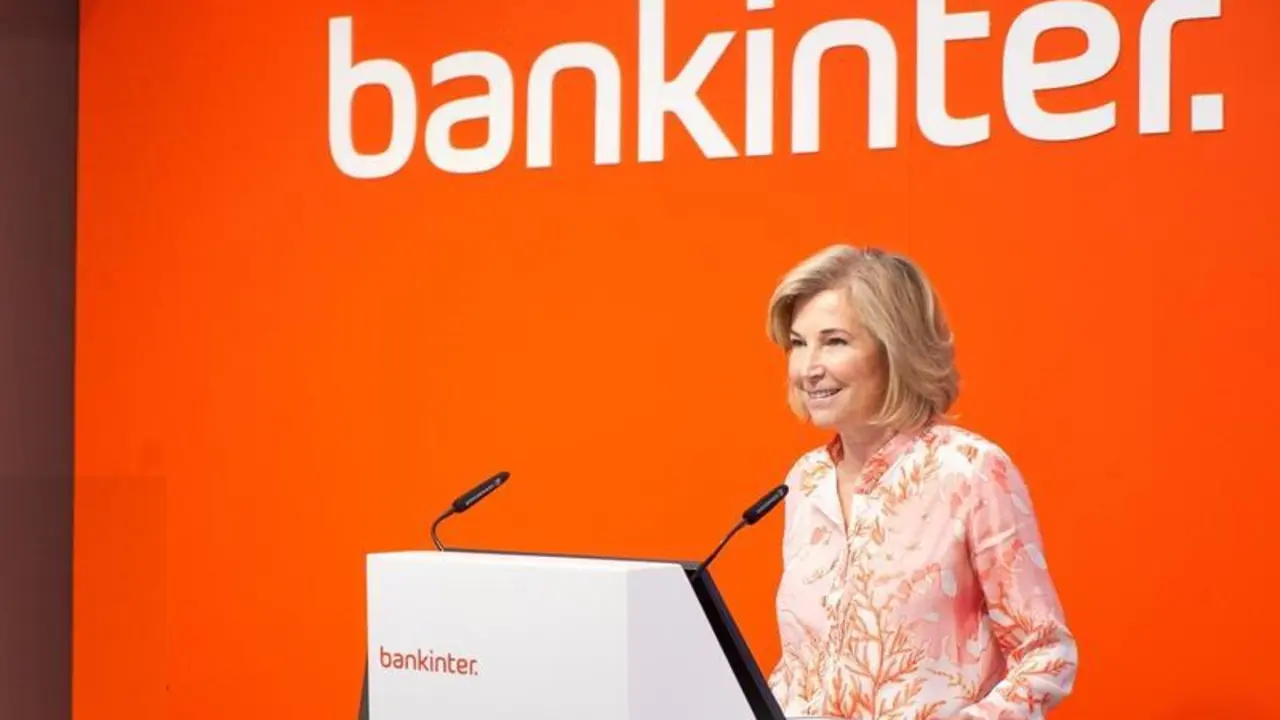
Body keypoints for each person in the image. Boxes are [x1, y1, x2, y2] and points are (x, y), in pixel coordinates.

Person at [763, 245, 1078, 719]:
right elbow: (805, 668)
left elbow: (1045, 654)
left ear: (895, 349)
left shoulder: (969, 470)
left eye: (835, 342)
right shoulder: (806, 481)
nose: (808, 368)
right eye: (798, 343)